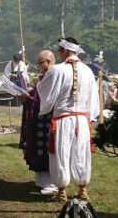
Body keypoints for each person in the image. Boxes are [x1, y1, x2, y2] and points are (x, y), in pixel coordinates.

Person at [36, 37, 99, 203]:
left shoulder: (57, 70)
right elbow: (93, 100)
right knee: (81, 154)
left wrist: (37, 84)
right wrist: (90, 117)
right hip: (82, 120)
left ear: (64, 50)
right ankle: (82, 189)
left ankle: (62, 191)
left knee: (60, 154)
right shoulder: (88, 71)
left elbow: (46, 93)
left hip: (64, 119)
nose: (59, 54)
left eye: (59, 51)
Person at [18, 50, 57, 195]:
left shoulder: (54, 75)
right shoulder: (44, 77)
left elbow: (47, 99)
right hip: (37, 118)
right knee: (36, 147)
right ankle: (41, 180)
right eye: (37, 63)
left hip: (47, 118)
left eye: (40, 63)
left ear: (48, 61)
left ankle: (51, 182)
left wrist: (28, 99)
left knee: (46, 149)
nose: (38, 66)